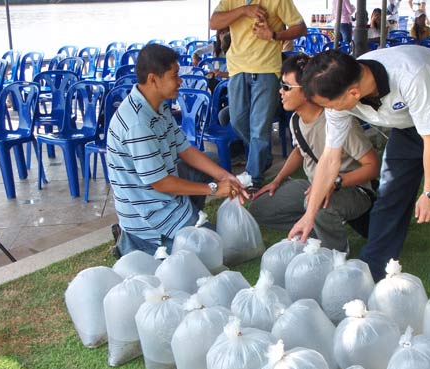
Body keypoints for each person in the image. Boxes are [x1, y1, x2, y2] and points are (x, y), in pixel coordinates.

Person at [289, 48, 430, 300]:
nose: (327, 111)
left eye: (327, 105)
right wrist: (309, 214)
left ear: (353, 94)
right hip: (406, 124)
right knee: (390, 196)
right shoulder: (339, 89)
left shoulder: (411, 75)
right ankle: (372, 273)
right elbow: (330, 158)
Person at [107, 44, 246, 257]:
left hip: (163, 195)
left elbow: (185, 149)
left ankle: (187, 218)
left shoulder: (159, 105)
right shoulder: (138, 124)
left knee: (211, 160)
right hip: (149, 212)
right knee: (215, 252)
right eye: (175, 75)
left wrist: (225, 176)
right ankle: (137, 240)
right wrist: (213, 188)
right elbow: (160, 183)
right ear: (153, 79)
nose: (180, 80)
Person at [249, 54, 380, 253]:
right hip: (313, 185)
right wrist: (277, 180)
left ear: (308, 90)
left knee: (315, 204)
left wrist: (335, 181)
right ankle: (317, 228)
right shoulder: (295, 120)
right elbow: (300, 151)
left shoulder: (337, 121)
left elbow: (373, 166)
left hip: (353, 189)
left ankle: (334, 256)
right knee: (260, 208)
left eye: (286, 87)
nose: (280, 92)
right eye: (281, 85)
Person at [209, 0, 307, 190]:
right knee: (237, 121)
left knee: (259, 126)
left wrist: (274, 35)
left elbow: (301, 28)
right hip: (237, 68)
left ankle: (254, 178)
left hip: (267, 68)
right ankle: (264, 157)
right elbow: (214, 22)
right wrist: (244, 10)